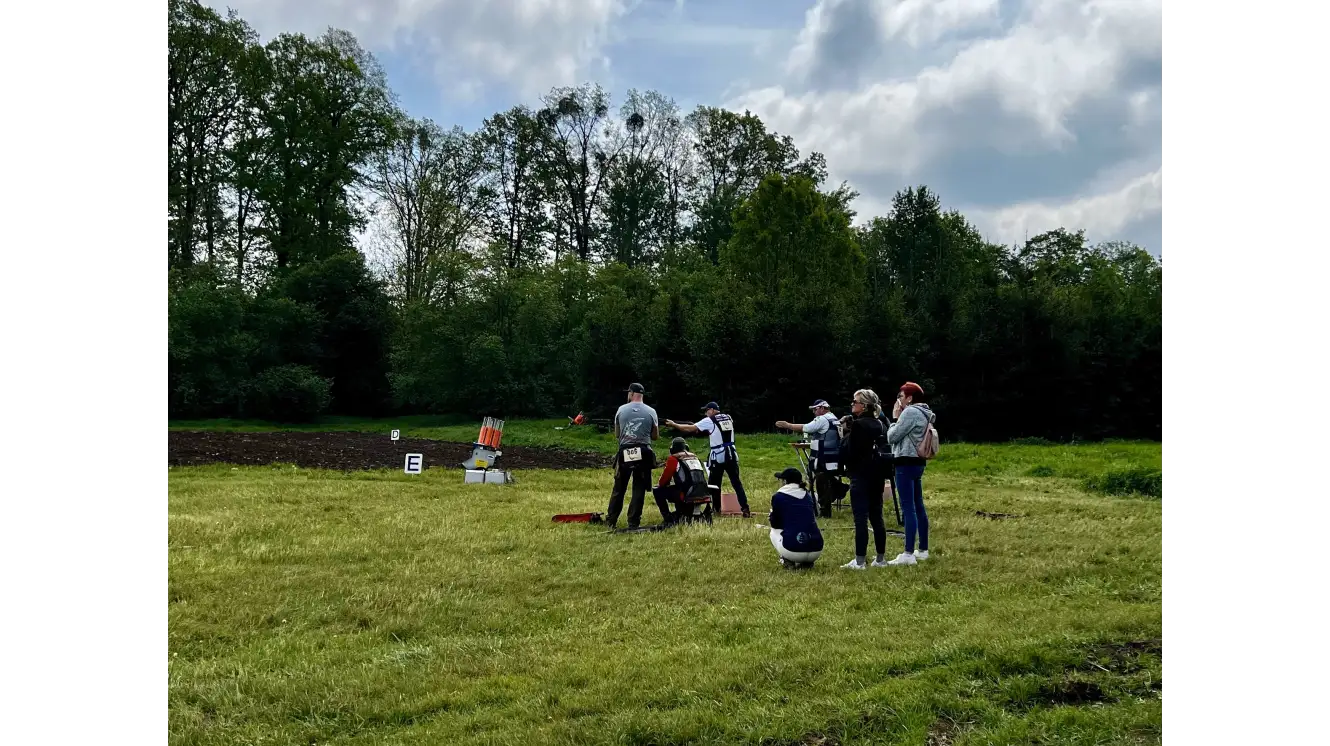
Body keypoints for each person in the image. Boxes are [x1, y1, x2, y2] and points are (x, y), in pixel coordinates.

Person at [665, 401, 751, 518]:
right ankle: (745, 508)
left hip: (718, 456)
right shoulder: (728, 417)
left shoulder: (710, 420)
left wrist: (674, 424)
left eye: (707, 411)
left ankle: (715, 510)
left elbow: (690, 428)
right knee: (736, 483)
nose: (706, 413)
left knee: (714, 484)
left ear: (712, 410)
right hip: (731, 454)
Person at [836, 389, 890, 570]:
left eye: (855, 401)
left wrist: (844, 435)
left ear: (864, 405)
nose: (852, 404)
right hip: (878, 475)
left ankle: (860, 561)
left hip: (860, 474)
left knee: (860, 518)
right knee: (877, 517)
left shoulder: (859, 425)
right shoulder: (881, 424)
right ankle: (880, 558)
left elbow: (849, 453)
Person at [884, 382, 936, 565]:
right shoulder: (925, 412)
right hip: (918, 462)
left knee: (908, 507)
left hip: (905, 462)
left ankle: (907, 553)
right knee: (918, 505)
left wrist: (895, 418)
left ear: (909, 398)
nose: (898, 399)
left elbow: (892, 437)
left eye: (900, 396)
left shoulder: (910, 412)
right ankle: (922, 549)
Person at [776, 399, 843, 518]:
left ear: (822, 408)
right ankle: (839, 488)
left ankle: (825, 511)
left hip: (823, 457)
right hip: (832, 456)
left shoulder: (822, 419)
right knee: (826, 479)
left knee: (821, 482)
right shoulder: (833, 418)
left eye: (815, 409)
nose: (814, 412)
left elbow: (806, 428)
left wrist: (788, 425)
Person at [607, 382, 660, 530]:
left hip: (625, 451)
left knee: (619, 488)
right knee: (639, 488)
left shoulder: (621, 410)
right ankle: (633, 522)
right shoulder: (651, 411)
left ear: (631, 393)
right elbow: (655, 436)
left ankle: (611, 520)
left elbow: (617, 434)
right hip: (643, 451)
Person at [768, 467, 824, 569]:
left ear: (785, 481)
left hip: (793, 550)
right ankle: (807, 562)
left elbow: (775, 523)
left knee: (773, 531)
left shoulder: (778, 496)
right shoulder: (809, 495)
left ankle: (787, 559)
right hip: (816, 549)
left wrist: (772, 515)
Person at [653, 437, 712, 524]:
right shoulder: (694, 457)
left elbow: (663, 481)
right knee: (679, 488)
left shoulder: (673, 458)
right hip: (703, 491)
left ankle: (668, 518)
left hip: (686, 493)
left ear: (672, 449)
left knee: (657, 490)